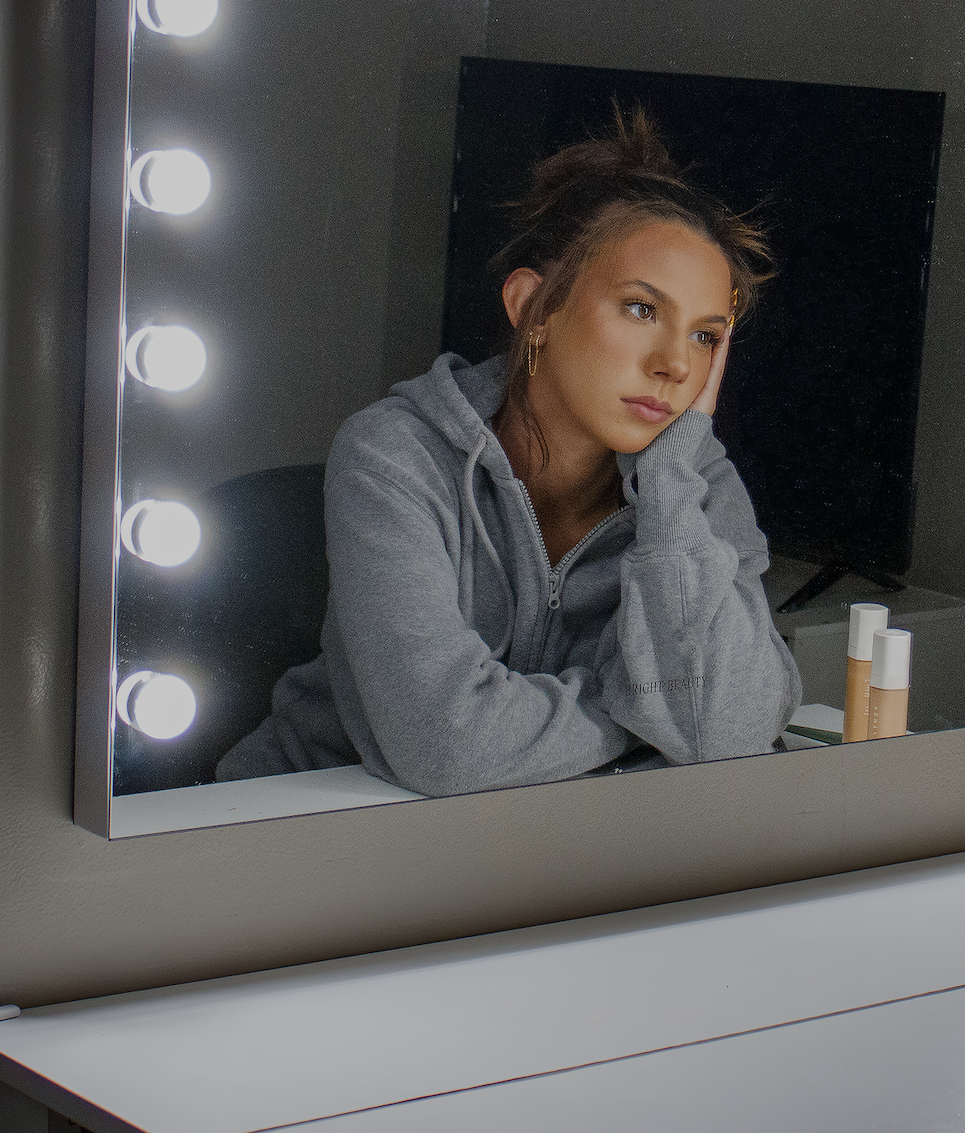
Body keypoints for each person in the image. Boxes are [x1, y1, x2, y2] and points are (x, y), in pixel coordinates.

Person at [219, 106, 802, 795]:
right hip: (312, 823)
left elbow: (730, 734)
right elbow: (447, 747)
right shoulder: (394, 454)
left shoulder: (695, 480)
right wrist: (648, 710)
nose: (676, 363)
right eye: (642, 309)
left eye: (705, 335)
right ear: (533, 308)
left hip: (532, 842)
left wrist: (671, 489)